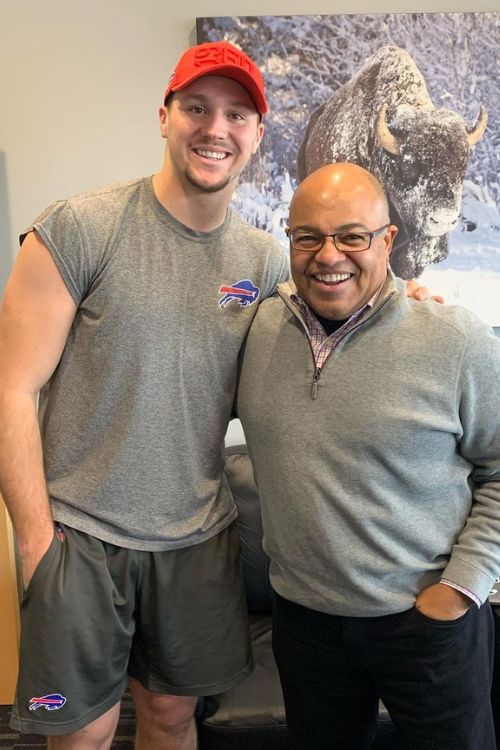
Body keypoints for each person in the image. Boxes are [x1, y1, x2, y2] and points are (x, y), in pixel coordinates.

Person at [0, 42, 433, 749]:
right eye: (197, 108)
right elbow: (10, 388)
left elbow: (346, 306)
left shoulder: (264, 261)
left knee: (172, 717)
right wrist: (35, 540)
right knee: (82, 732)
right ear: (164, 118)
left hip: (198, 541)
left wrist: (406, 300)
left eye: (237, 114)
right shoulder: (78, 228)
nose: (216, 128)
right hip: (82, 538)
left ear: (258, 136)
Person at [237, 162, 500, 750]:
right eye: (308, 236)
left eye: (352, 235)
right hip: (305, 626)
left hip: (426, 620)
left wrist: (461, 587)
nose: (329, 254)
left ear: (389, 240)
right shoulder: (256, 332)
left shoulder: (456, 340)